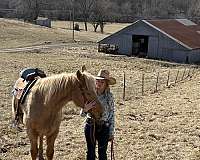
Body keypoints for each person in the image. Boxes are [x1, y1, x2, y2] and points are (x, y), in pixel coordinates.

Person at [80, 69, 116, 160]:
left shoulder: (109, 97)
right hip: (90, 125)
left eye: (102, 82)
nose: (99, 83)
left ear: (106, 84)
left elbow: (112, 114)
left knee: (102, 153)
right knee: (90, 152)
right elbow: (82, 114)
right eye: (98, 81)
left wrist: (111, 131)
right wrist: (85, 109)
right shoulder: (90, 94)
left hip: (104, 126)